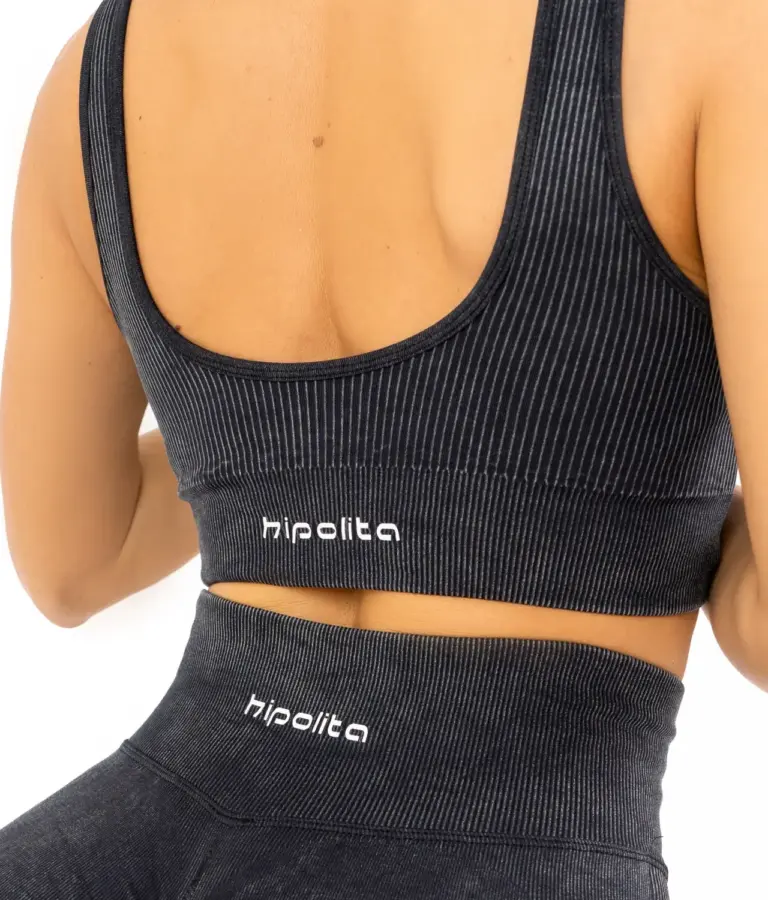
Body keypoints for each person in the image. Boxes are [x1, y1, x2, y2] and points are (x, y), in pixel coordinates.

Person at [0, 0, 765, 896]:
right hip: (511, 844)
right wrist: (658, 513)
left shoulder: (97, 65)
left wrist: (291, 446)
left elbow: (74, 563)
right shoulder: (710, 30)